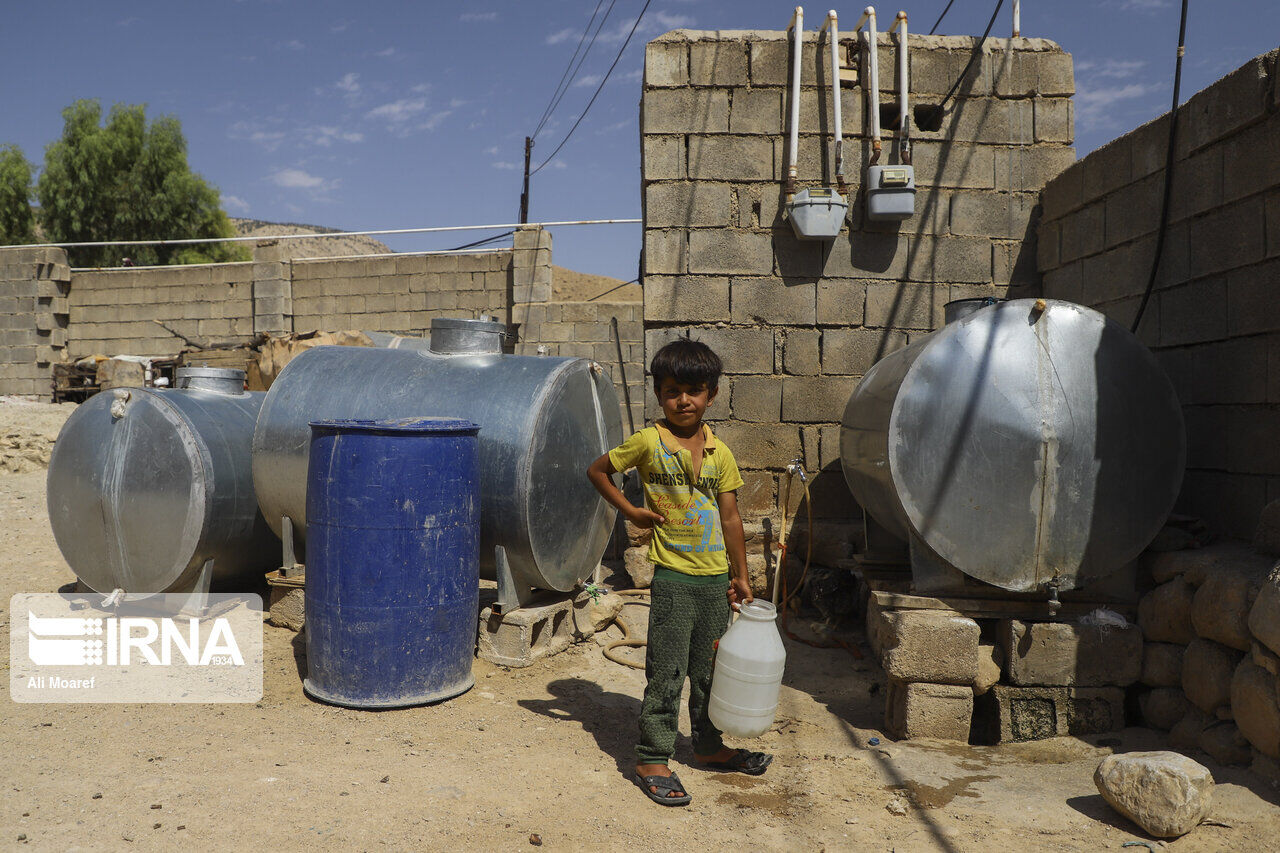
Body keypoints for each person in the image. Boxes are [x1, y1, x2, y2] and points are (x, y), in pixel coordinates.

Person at [586, 338, 772, 807]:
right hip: (672, 579)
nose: (683, 400)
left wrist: (741, 575)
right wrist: (631, 509)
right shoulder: (648, 442)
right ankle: (652, 757)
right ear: (659, 394)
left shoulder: (720, 453)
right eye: (672, 391)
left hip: (714, 583)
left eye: (693, 390)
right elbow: (597, 471)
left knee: (711, 672)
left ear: (711, 393)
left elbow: (730, 518)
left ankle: (708, 748)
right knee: (666, 671)